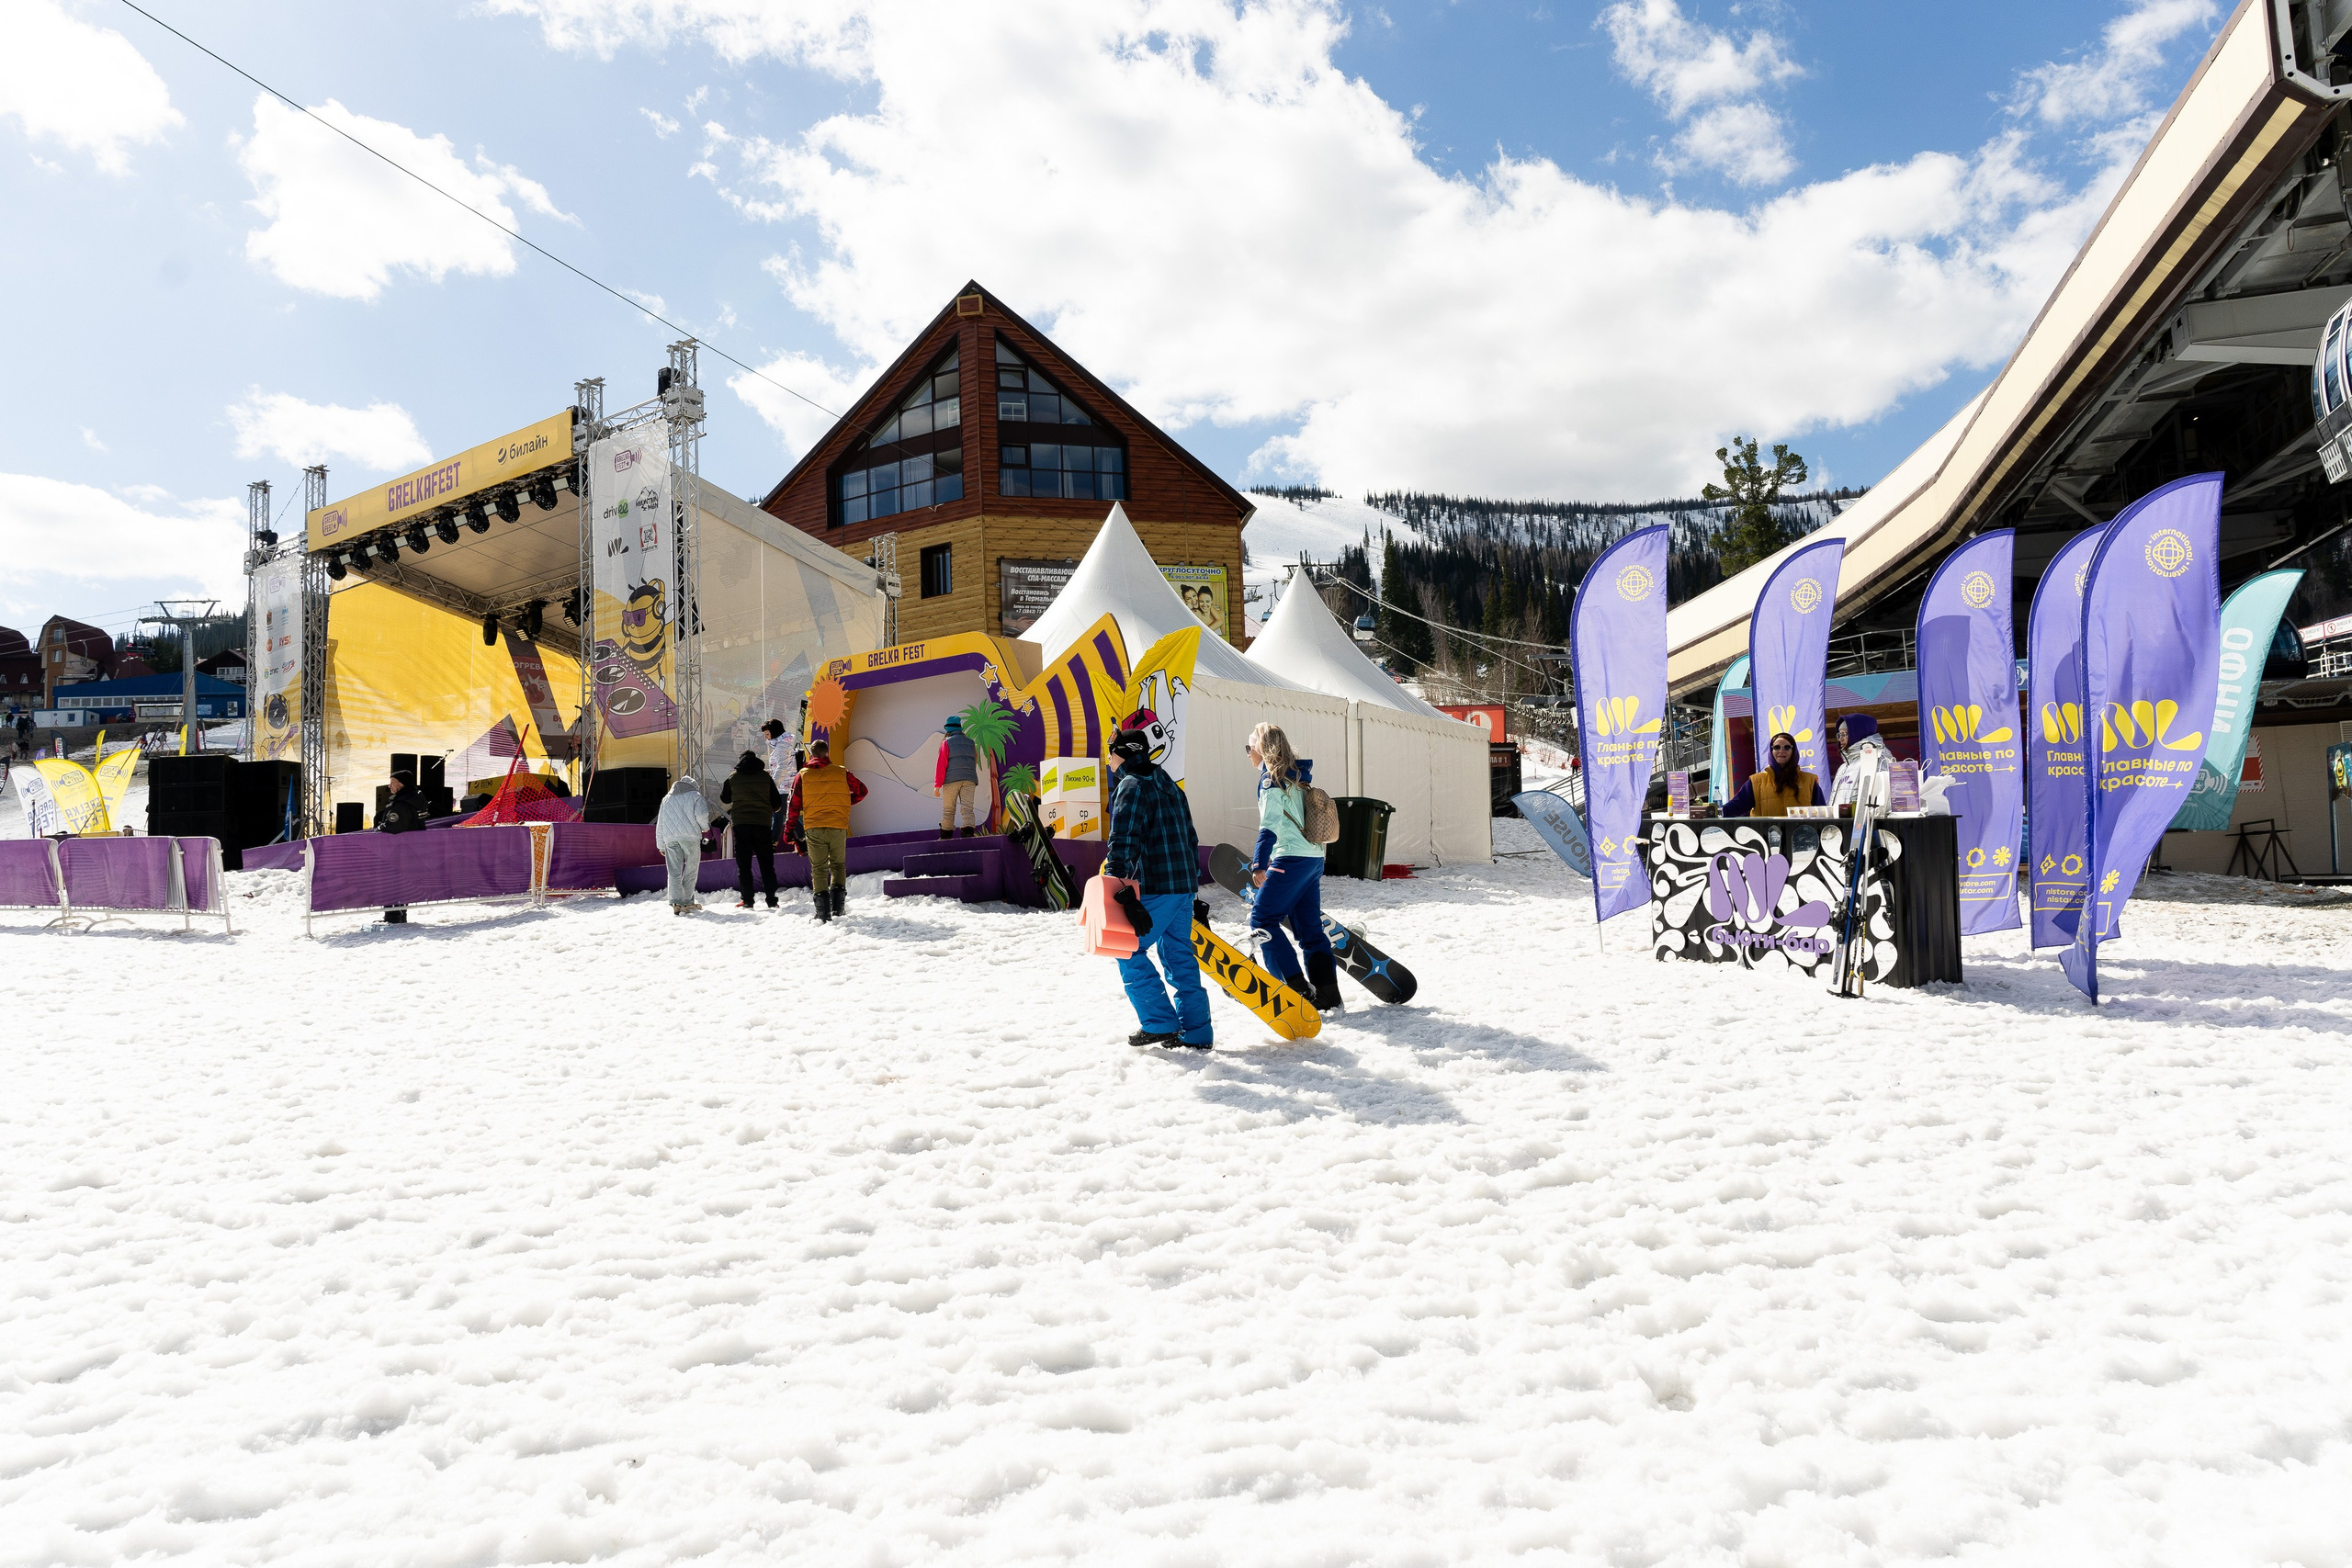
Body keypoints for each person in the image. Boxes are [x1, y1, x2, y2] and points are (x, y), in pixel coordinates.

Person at [1103, 706, 1212, 1050]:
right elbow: (1191, 837)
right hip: (1182, 886)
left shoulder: (1132, 787)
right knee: (1179, 956)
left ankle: (1160, 1023)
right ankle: (1196, 1031)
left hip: (1159, 886)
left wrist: (1113, 878)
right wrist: (1192, 886)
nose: (1108, 762)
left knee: (1127, 949)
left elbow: (1124, 839)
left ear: (1122, 756)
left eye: (1110, 756)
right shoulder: (1171, 787)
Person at [1245, 722, 1341, 1013]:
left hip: (1290, 859)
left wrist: (1260, 862)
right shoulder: (1298, 777)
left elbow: (1269, 825)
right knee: (1310, 930)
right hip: (1313, 859)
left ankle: (1295, 990)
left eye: (1249, 748)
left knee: (1262, 922)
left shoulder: (1270, 780)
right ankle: (1327, 995)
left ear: (1260, 749)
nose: (1247, 754)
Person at [784, 738, 866, 922]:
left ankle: (822, 914)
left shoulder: (802, 775)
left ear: (811, 755)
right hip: (838, 825)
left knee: (819, 868)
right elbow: (862, 791)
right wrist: (842, 802)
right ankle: (838, 910)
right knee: (838, 865)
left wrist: (788, 832)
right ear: (827, 753)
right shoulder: (842, 772)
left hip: (814, 827)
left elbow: (793, 806)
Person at [719, 750, 783, 909]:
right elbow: (777, 804)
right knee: (766, 863)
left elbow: (724, 798)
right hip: (762, 824)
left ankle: (747, 900)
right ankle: (772, 900)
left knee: (744, 864)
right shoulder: (765, 777)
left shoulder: (733, 777)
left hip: (741, 824)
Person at [1724, 731, 1824, 818]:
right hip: (1765, 838)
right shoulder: (1756, 782)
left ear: (1793, 751)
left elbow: (1823, 812)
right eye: (1777, 747)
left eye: (1787, 747)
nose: (1781, 751)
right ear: (1771, 751)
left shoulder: (1809, 781)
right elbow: (1737, 805)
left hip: (1801, 838)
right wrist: (1714, 812)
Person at [375, 767, 429, 923]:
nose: (390, 786)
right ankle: (400, 914)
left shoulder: (403, 803)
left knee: (391, 881)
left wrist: (379, 828)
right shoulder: (416, 798)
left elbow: (394, 826)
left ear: (402, 785)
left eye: (393, 783)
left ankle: (392, 917)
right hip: (411, 849)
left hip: (398, 851)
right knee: (403, 882)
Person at [653, 775, 712, 914]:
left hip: (670, 839)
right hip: (690, 838)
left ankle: (676, 902)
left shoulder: (666, 799)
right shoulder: (695, 795)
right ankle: (687, 901)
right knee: (691, 869)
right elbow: (702, 815)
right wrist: (705, 827)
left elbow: (660, 824)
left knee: (673, 872)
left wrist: (661, 845)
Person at [1827, 714, 1893, 814]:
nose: (1840, 739)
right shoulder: (1843, 767)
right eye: (1839, 735)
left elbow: (1879, 801)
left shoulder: (1877, 758)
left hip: (1863, 826)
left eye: (1844, 734)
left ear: (1858, 733)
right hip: (1841, 826)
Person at [933, 713, 981, 838]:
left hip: (951, 781)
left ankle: (945, 838)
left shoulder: (946, 743)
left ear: (948, 730)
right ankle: (968, 836)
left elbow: (941, 765)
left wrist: (937, 785)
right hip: (969, 779)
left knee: (949, 810)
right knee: (967, 808)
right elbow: (974, 761)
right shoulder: (971, 743)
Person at [761, 719, 793, 839]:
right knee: (785, 814)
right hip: (784, 784)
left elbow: (782, 767)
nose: (766, 737)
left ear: (774, 732)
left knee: (778, 815)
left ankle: (773, 843)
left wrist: (773, 785)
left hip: (782, 786)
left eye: (767, 734)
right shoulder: (782, 744)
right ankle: (801, 839)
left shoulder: (781, 746)